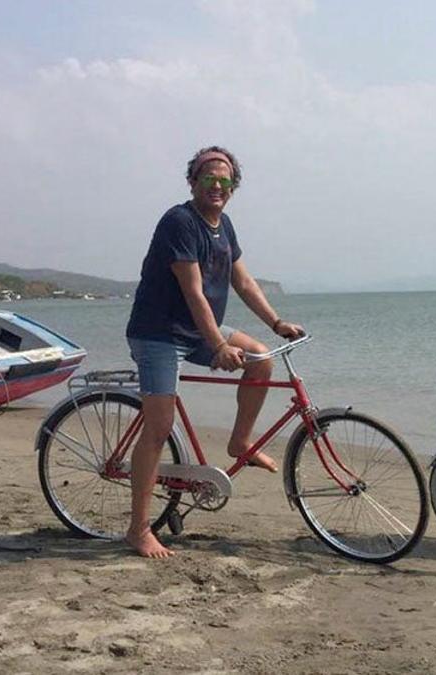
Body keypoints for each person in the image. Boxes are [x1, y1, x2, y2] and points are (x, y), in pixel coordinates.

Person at [123, 146, 303, 558]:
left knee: (261, 358)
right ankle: (138, 529)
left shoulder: (225, 226)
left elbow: (243, 281)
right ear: (193, 182)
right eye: (209, 177)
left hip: (195, 328)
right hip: (159, 332)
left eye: (225, 179)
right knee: (158, 426)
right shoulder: (179, 222)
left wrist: (276, 323)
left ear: (234, 186)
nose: (217, 185)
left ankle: (240, 442)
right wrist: (219, 345)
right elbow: (194, 292)